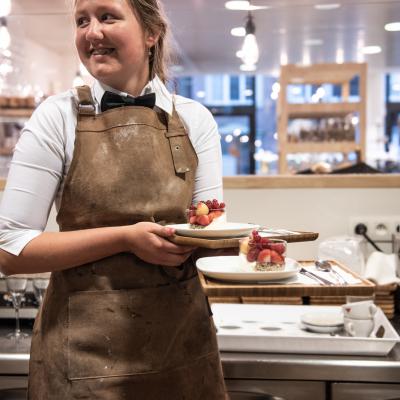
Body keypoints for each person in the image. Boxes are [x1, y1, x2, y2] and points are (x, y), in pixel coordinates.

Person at [0, 0, 227, 398]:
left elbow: (209, 229)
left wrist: (253, 251)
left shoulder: (194, 120)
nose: (91, 32)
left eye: (107, 16)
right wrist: (125, 238)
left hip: (182, 349)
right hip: (81, 360)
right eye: (81, 21)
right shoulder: (56, 117)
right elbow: (9, 250)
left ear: (151, 32)